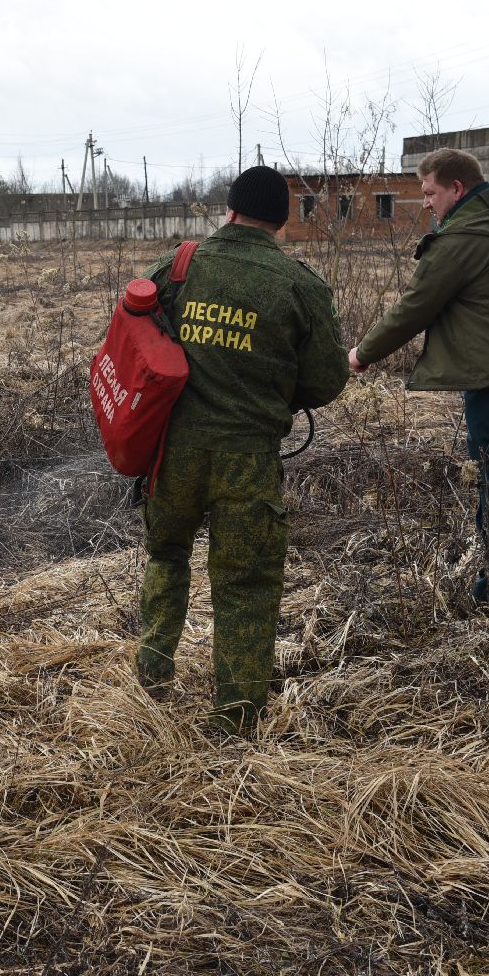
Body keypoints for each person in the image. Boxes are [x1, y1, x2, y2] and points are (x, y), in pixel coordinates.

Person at [135, 165, 349, 732]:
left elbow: (134, 346)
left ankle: (151, 678)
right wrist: (274, 389)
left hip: (172, 456)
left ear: (229, 210)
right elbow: (328, 379)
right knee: (246, 584)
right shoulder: (299, 285)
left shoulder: (178, 268)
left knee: (165, 555)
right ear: (281, 221)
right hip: (248, 461)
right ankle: (237, 717)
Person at [349, 148, 489, 615]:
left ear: (457, 188)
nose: (427, 203)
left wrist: (362, 353)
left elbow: (415, 306)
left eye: (431, 193)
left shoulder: (463, 236)